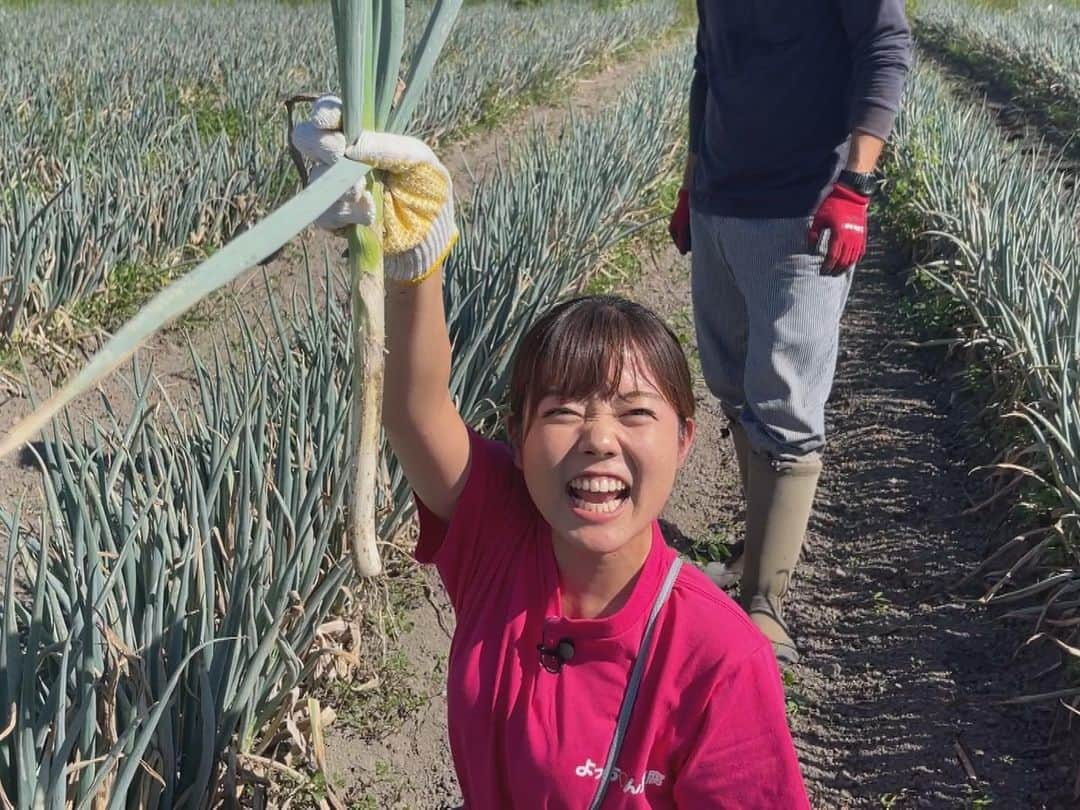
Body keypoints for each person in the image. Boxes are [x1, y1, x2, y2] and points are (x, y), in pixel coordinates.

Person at [292, 98, 812, 806]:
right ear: (518, 434)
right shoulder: (499, 541)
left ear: (686, 438)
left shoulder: (719, 661)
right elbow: (415, 412)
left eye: (635, 413)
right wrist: (416, 257)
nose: (599, 439)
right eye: (564, 411)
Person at [668, 0, 913, 666]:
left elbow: (886, 50)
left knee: (785, 403)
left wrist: (856, 185)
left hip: (802, 212)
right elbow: (707, 65)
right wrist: (693, 182)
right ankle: (754, 553)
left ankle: (764, 606)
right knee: (730, 380)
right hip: (722, 200)